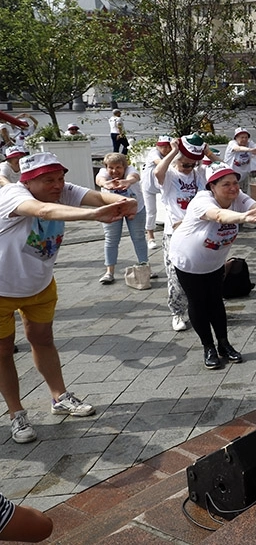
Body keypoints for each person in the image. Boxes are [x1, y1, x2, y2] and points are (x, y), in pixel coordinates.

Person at [1, 153, 137, 443]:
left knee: (43, 340)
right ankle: (16, 413)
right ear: (28, 182)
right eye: (48, 180)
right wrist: (93, 216)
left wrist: (123, 202)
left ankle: (59, 397)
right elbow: (44, 211)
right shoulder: (13, 194)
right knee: (3, 351)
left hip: (39, 286)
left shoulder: (61, 190)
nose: (57, 185)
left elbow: (98, 197)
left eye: (60, 178)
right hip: (2, 290)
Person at [169, 163, 256, 369]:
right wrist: (244, 217)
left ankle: (224, 344)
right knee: (198, 303)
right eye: (226, 184)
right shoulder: (202, 201)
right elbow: (219, 216)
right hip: (188, 260)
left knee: (216, 301)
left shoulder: (238, 197)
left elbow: (252, 206)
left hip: (214, 261)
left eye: (235, 183)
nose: (233, 188)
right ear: (212, 186)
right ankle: (208, 347)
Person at [155, 135, 210, 332]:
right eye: (185, 164)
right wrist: (173, 151)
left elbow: (225, 170)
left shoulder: (199, 174)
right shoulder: (170, 175)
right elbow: (157, 172)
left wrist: (208, 154)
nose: (188, 167)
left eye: (192, 164)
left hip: (199, 231)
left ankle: (201, 309)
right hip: (175, 234)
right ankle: (177, 312)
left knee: (203, 274)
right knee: (176, 277)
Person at [95, 153, 149, 284]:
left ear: (124, 166)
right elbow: (99, 179)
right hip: (112, 209)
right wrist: (105, 184)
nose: (114, 171)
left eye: (118, 167)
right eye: (111, 167)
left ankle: (145, 267)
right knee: (111, 239)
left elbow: (134, 176)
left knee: (138, 237)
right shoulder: (103, 173)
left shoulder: (130, 170)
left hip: (135, 207)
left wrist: (128, 181)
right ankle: (109, 272)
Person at [140, 136, 171, 250]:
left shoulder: (172, 154)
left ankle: (171, 233)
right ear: (158, 146)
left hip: (163, 184)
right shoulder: (154, 153)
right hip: (148, 185)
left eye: (168, 146)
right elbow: (159, 162)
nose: (166, 149)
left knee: (171, 207)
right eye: (163, 146)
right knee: (151, 211)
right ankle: (150, 237)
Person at [224, 128, 256, 197]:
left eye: (246, 137)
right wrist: (250, 150)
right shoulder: (232, 143)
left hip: (244, 176)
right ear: (236, 138)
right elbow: (238, 148)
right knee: (233, 196)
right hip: (231, 176)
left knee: (244, 196)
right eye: (242, 137)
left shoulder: (250, 143)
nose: (244, 139)